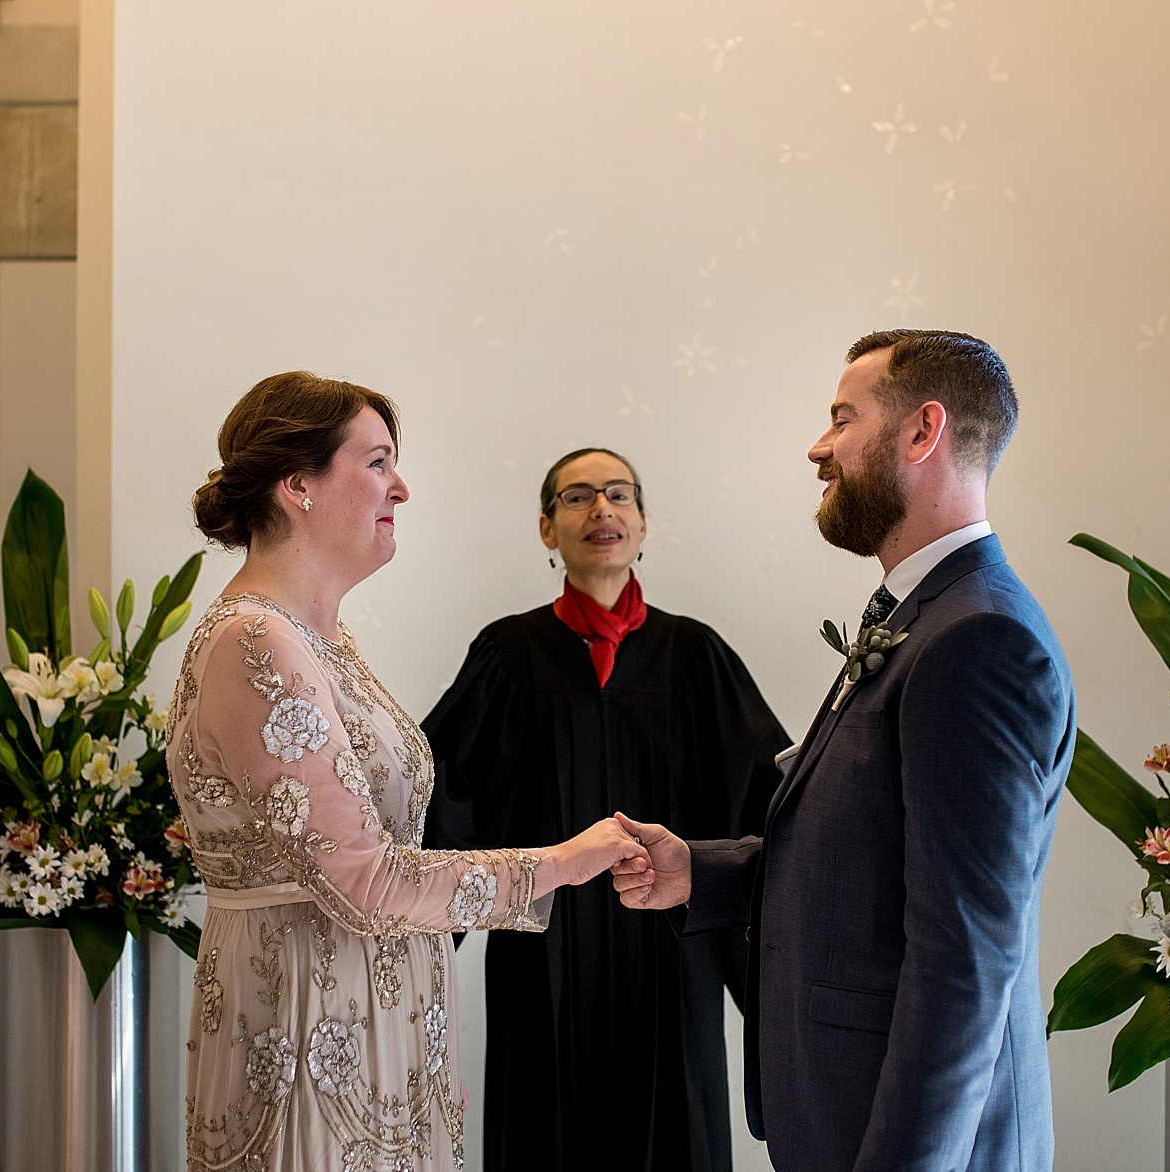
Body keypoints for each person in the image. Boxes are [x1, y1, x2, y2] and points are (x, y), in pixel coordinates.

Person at [612, 330, 1076, 1172]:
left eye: (841, 419)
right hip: (839, 1115)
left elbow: (966, 958)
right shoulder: (923, 618)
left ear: (919, 432)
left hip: (907, 1141)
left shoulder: (978, 641)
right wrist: (700, 870)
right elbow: (871, 859)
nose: (818, 448)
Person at [168, 371, 646, 1172]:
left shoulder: (321, 639)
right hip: (309, 1036)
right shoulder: (255, 643)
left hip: (373, 1029)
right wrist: (562, 863)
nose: (402, 487)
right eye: (378, 462)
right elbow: (359, 877)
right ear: (298, 486)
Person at [422, 448, 790, 1172]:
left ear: (643, 523)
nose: (600, 510)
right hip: (542, 951)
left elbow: (769, 801)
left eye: (618, 495)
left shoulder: (694, 655)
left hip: (672, 952)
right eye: (577, 497)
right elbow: (440, 797)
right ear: (544, 528)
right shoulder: (508, 653)